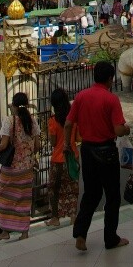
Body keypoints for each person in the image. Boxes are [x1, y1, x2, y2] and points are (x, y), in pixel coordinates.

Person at [64, 60, 130, 252]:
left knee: (91, 194)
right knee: (112, 196)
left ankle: (81, 234)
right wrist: (126, 129)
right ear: (110, 79)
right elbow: (118, 130)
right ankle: (110, 238)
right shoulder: (111, 99)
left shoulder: (81, 96)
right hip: (106, 151)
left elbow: (68, 124)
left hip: (87, 150)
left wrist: (67, 144)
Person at [0, 91, 40, 240]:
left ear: (14, 106)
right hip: (27, 168)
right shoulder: (33, 121)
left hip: (11, 168)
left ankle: (5, 230)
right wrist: (29, 155)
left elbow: (3, 145)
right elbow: (37, 145)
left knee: (4, 197)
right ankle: (24, 231)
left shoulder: (9, 121)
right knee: (24, 199)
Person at [45, 88, 79, 228]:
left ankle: (55, 217)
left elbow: (53, 143)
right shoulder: (73, 118)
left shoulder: (53, 121)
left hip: (58, 159)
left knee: (54, 188)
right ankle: (72, 216)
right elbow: (77, 137)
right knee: (72, 187)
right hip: (72, 157)